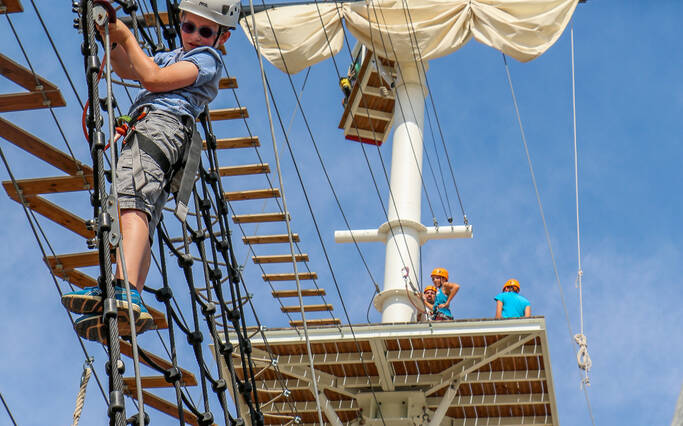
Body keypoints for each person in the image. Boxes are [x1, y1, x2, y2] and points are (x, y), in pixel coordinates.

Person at [61, 0, 239, 342]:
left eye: (206, 31)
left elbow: (153, 79)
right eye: (189, 27)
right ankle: (128, 292)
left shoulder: (207, 60)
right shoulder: (173, 55)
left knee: (131, 204)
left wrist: (126, 34)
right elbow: (129, 70)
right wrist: (109, 37)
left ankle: (124, 288)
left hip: (160, 128)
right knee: (140, 213)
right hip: (155, 131)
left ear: (222, 38)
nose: (195, 36)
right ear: (182, 22)